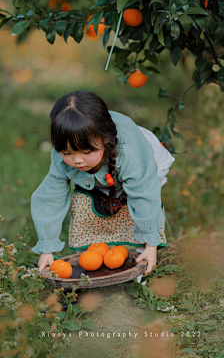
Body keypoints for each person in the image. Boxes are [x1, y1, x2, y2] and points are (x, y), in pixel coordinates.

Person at [31, 90, 175, 276]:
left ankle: (141, 261)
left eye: (85, 152)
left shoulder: (130, 153)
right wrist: (47, 248)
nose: (77, 161)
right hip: (96, 175)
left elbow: (144, 195)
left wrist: (151, 244)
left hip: (140, 166)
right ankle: (92, 263)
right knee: (86, 205)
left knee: (133, 205)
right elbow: (50, 198)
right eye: (68, 153)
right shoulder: (63, 154)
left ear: (104, 139)